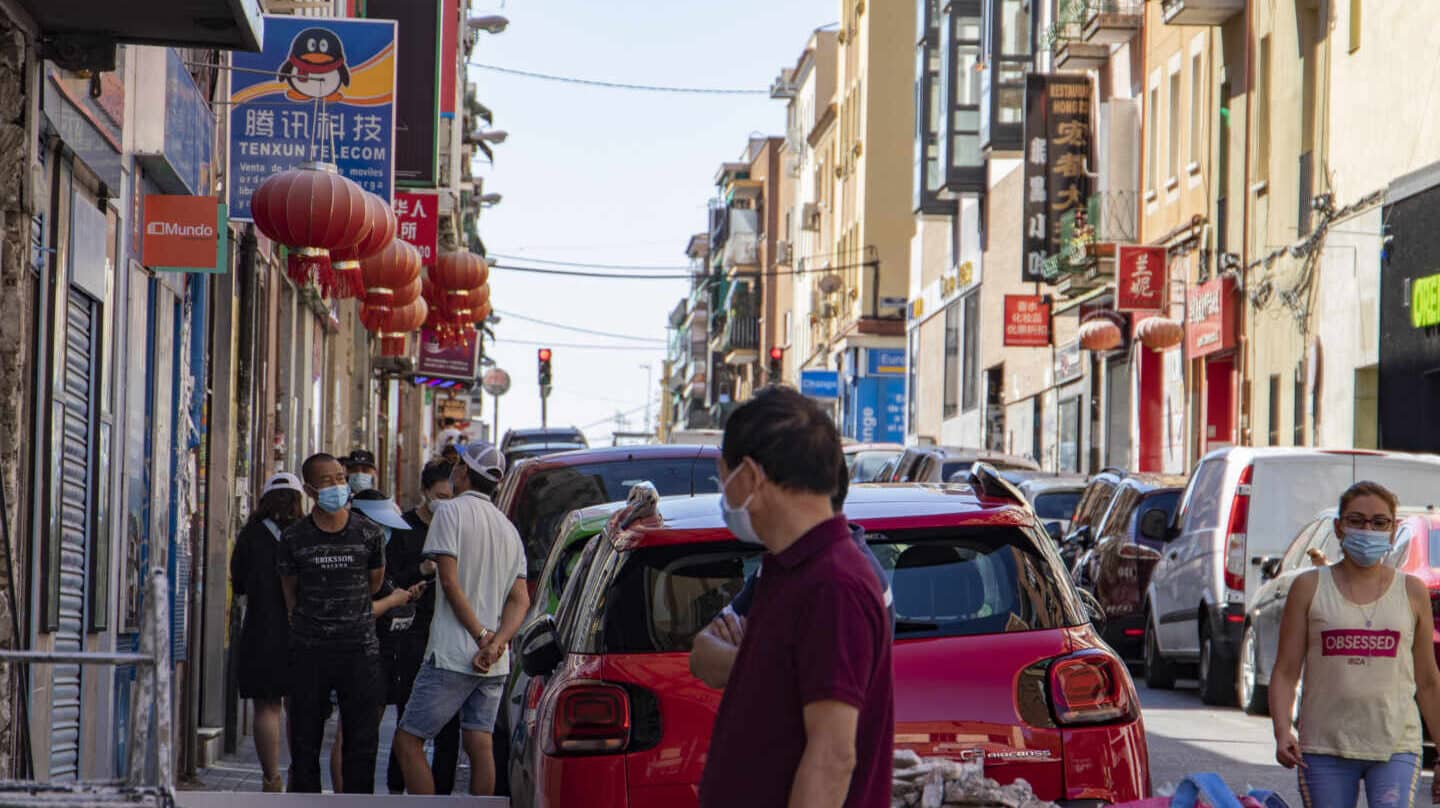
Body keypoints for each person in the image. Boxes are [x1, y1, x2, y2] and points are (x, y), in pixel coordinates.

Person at [697, 386, 893, 808]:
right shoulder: (787, 570)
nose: (724, 493)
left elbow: (832, 758)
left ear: (751, 476)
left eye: (723, 475)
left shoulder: (833, 585)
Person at [1270, 481, 1440, 808]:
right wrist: (1282, 731)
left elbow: (1429, 681)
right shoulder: (1308, 587)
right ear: (1338, 527)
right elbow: (1286, 671)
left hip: (1396, 746)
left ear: (1392, 532)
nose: (1368, 530)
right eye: (1356, 520)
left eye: (1379, 523)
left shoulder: (1412, 592)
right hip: (1323, 747)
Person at [394, 442, 529, 796]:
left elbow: (449, 581)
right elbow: (521, 599)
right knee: (479, 743)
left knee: (408, 741)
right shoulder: (507, 527)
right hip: (495, 663)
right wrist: (497, 643)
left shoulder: (449, 513)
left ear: (463, 473)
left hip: (452, 654)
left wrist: (481, 636)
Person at [689, 462, 895, 690]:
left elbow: (812, 685)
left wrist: (745, 652)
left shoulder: (847, 582)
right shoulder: (780, 564)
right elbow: (700, 654)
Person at [278, 453, 387, 794]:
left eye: (341, 478)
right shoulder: (294, 538)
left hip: (360, 651)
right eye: (328, 482)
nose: (338, 486)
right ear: (310, 490)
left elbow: (374, 583)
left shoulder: (368, 533)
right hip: (310, 651)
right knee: (304, 743)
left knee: (362, 746)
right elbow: (290, 596)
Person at [380, 460, 462, 794]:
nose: (445, 501)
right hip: (411, 631)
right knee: (408, 711)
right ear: (425, 492)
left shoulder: (458, 526)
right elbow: (389, 579)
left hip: (448, 629)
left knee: (449, 723)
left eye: (451, 495)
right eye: (440, 494)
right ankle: (398, 787)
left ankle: (443, 793)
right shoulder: (403, 529)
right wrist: (422, 570)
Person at [229, 472, 305, 793]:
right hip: (305, 629)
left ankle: (271, 778)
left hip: (261, 630)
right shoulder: (307, 534)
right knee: (301, 706)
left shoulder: (250, 535)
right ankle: (301, 772)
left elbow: (240, 583)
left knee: (267, 706)